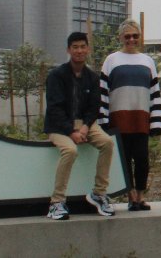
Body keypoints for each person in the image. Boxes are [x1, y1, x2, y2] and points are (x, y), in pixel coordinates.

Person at [43, 32, 115, 220]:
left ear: (88, 49)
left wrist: (83, 128)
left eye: (83, 46)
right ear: (68, 50)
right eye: (75, 47)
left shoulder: (92, 77)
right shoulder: (56, 76)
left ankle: (99, 194)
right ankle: (56, 202)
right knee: (70, 151)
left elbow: (94, 107)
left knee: (107, 142)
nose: (79, 50)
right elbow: (54, 108)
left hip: (84, 125)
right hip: (58, 126)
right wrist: (72, 132)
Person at [98, 19, 161, 211]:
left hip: (141, 119)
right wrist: (103, 121)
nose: (131, 39)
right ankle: (131, 196)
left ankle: (141, 195)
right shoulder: (111, 60)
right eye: (127, 36)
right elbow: (102, 91)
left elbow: (155, 93)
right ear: (120, 37)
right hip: (118, 119)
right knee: (124, 160)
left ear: (140, 37)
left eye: (135, 36)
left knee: (142, 159)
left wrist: (156, 122)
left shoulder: (148, 61)